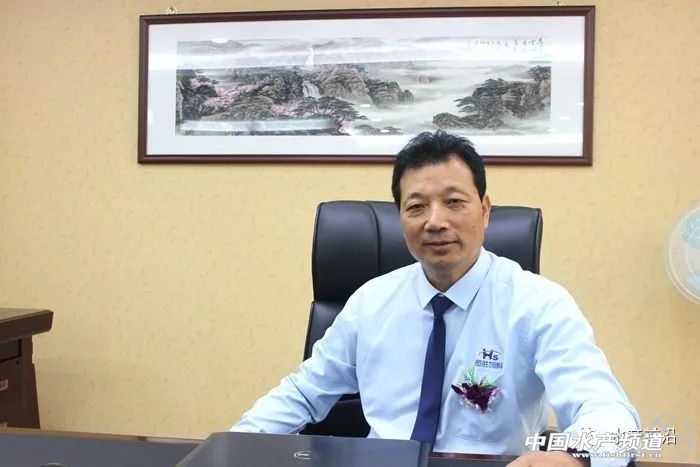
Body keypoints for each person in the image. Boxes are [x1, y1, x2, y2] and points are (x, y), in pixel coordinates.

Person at [231, 131, 640, 467]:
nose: (436, 221)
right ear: (400, 218)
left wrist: (576, 457)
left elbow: (610, 414)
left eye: (454, 202)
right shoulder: (371, 302)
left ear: (485, 211)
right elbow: (303, 392)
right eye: (417, 206)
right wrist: (232, 448)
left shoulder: (539, 305)